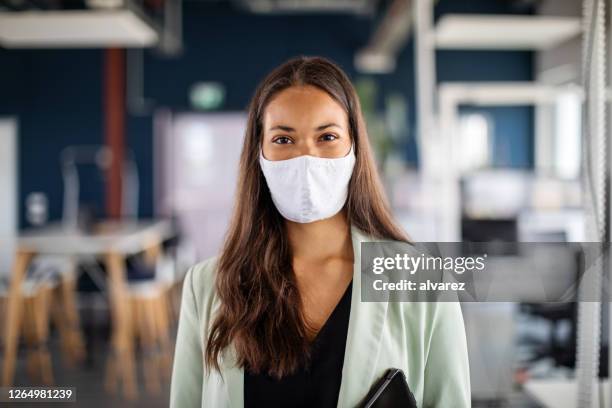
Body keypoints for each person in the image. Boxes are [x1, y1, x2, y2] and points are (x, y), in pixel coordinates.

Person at [170, 56, 470, 407]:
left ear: (354, 148)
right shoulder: (206, 285)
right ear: (259, 154)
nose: (306, 158)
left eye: (327, 136)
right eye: (283, 139)